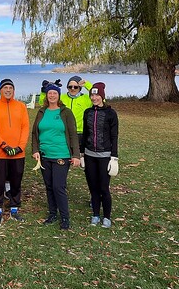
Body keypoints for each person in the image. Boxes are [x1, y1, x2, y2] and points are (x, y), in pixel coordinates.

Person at [31, 81, 81, 230]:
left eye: (55, 93)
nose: (52, 95)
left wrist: (76, 155)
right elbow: (35, 133)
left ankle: (65, 217)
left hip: (61, 155)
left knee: (58, 186)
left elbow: (73, 134)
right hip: (44, 155)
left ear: (58, 95)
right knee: (49, 186)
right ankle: (52, 214)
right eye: (50, 93)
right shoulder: (42, 112)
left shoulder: (65, 112)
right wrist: (35, 150)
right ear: (47, 95)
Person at [0, 79, 30, 226]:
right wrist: (3, 145)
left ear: (14, 90)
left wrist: (21, 146)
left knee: (16, 181)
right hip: (1, 152)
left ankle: (14, 208)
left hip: (18, 153)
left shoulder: (21, 106)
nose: (8, 90)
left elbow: (25, 127)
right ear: (0, 90)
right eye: (5, 88)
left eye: (10, 88)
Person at [81, 82, 119, 228]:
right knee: (93, 187)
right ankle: (96, 214)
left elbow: (114, 136)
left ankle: (107, 217)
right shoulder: (87, 113)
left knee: (104, 187)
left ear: (102, 96)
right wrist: (82, 153)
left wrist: (114, 157)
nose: (94, 97)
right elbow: (85, 134)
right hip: (90, 155)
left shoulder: (111, 114)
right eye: (92, 95)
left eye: (97, 95)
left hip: (105, 156)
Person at [62, 75, 93, 141]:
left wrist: (87, 85)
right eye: (70, 87)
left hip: (81, 133)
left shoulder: (87, 98)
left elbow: (101, 101)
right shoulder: (61, 98)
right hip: (64, 132)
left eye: (75, 87)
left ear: (80, 88)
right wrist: (44, 91)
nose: (72, 89)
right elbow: (43, 103)